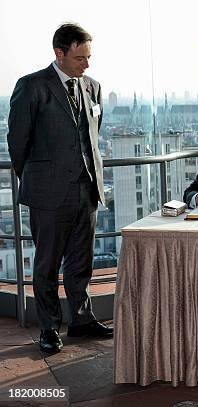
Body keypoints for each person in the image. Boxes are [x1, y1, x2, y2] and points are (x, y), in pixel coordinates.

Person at [8, 23, 113, 354]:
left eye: (89, 56)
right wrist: (39, 182)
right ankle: (50, 327)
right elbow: (17, 142)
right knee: (48, 264)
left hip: (87, 190)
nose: (87, 64)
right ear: (59, 53)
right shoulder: (32, 86)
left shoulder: (93, 87)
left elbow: (92, 135)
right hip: (48, 194)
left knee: (82, 261)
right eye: (80, 57)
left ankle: (81, 320)